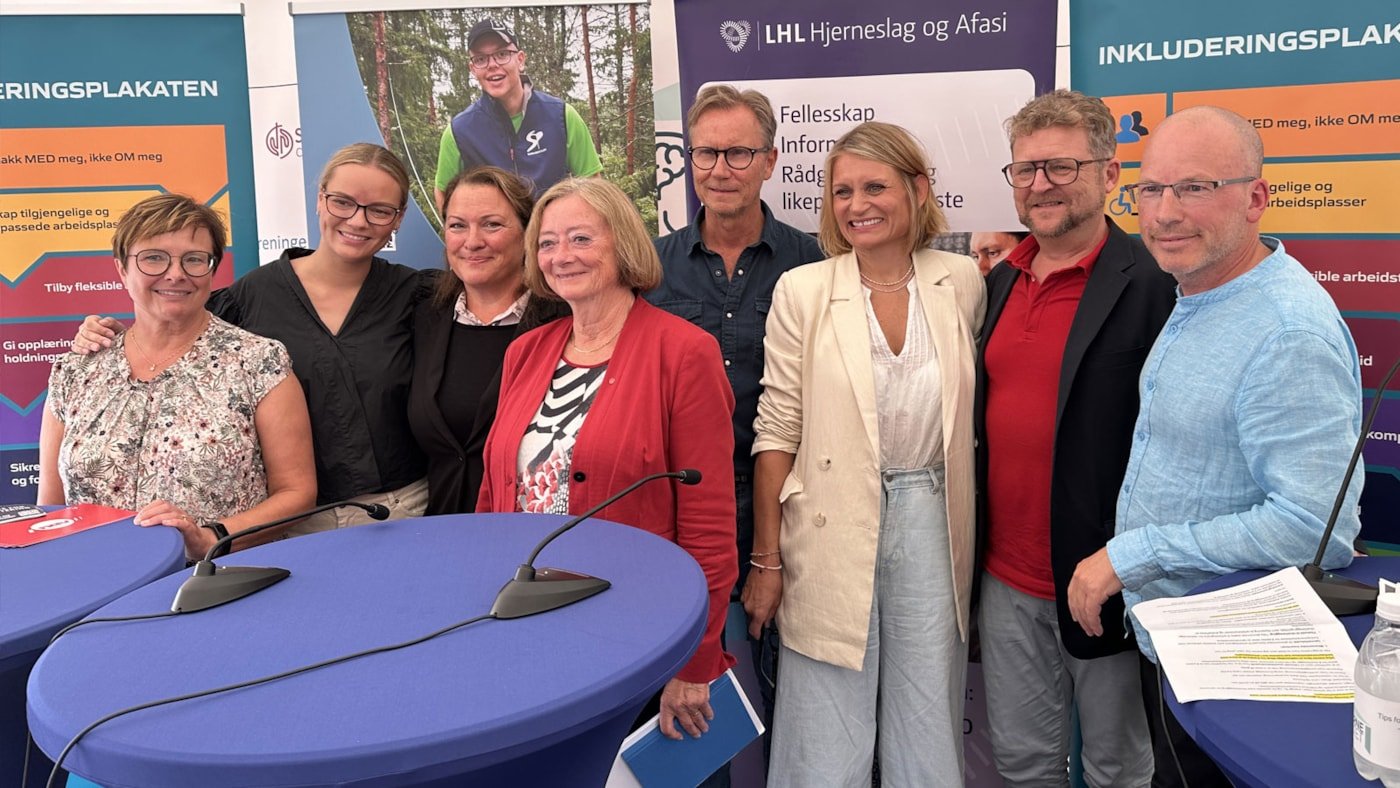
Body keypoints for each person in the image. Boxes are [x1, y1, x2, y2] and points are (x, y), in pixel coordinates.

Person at [1066, 105, 1364, 787]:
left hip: (1232, 671)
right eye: (1151, 189)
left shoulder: (1287, 332)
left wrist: (1133, 553)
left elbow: (1314, 528)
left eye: (1195, 188)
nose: (1165, 212)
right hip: (1177, 643)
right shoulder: (1201, 291)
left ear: (1256, 198)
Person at [752, 121, 984, 786]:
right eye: (843, 190)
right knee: (823, 727)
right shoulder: (804, 290)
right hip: (827, 519)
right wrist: (766, 559)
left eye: (875, 186)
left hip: (933, 519)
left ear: (917, 189)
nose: (858, 204)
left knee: (928, 716)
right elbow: (777, 433)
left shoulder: (962, 280)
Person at [477, 178, 738, 741]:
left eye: (579, 238)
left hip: (635, 629)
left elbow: (709, 525)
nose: (561, 256)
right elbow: (494, 499)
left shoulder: (685, 352)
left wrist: (695, 663)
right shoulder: (525, 352)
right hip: (526, 623)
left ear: (622, 244)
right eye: (547, 243)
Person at [75, 143, 434, 534]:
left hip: (400, 511)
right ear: (320, 200)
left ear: (398, 219)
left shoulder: (419, 297)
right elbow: (173, 329)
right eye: (342, 202)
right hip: (288, 525)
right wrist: (103, 337)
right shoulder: (251, 298)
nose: (358, 220)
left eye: (379, 210)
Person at [974, 89, 1175, 788]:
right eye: (1025, 170)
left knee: (1118, 765)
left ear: (1109, 174)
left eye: (1060, 167)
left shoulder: (1155, 284)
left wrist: (1124, 561)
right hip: (1003, 579)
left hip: (1103, 577)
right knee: (1025, 763)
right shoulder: (999, 281)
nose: (1039, 185)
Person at [647, 84, 824, 760]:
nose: (720, 169)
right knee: (687, 703)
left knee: (792, 695)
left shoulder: (811, 264)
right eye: (706, 153)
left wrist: (769, 553)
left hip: (790, 509)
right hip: (683, 515)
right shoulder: (650, 267)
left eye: (739, 153)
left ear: (772, 159)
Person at [39, 194, 316, 560]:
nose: (175, 273)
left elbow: (296, 493)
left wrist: (211, 538)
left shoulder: (258, 362)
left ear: (212, 269)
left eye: (193, 259)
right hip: (95, 586)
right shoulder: (75, 371)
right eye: (153, 257)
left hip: (217, 584)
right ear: (122, 269)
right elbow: (50, 506)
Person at [409, 167, 569, 515]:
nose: (472, 241)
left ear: (528, 232)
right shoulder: (423, 318)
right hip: (441, 533)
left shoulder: (566, 322)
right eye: (457, 225)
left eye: (492, 224)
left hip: (530, 541)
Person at [434, 17, 602, 207]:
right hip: (494, 236)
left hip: (552, 234)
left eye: (502, 54)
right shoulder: (460, 131)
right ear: (473, 69)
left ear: (520, 60)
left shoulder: (561, 116)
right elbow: (443, 194)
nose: (492, 64)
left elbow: (592, 184)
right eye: (481, 59)